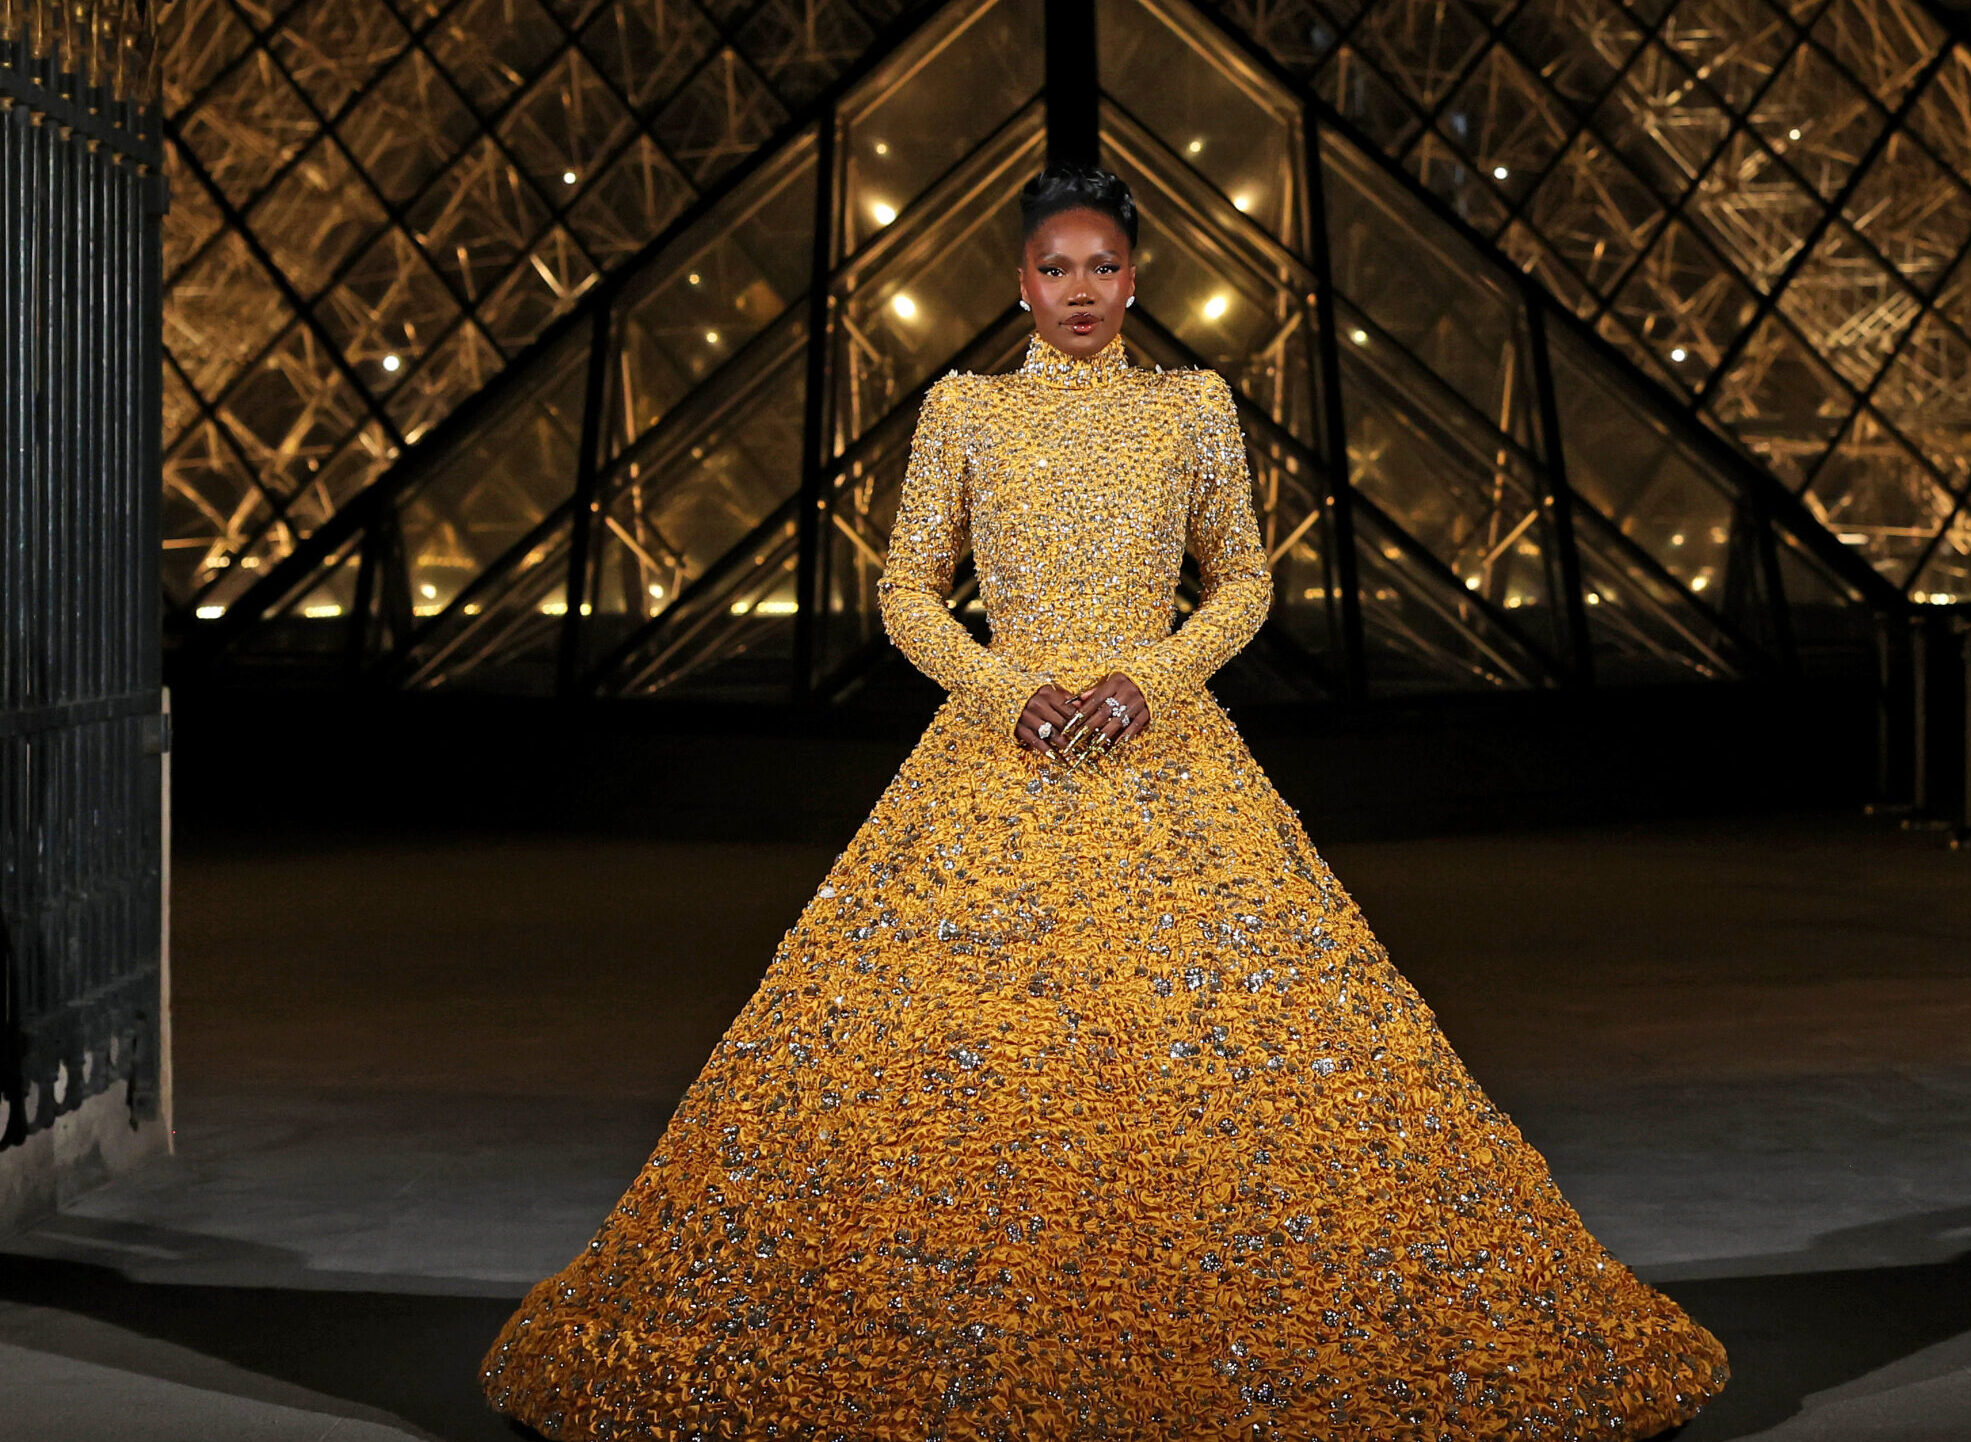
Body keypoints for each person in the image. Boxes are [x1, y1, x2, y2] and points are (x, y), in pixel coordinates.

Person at [480, 163, 1727, 1441]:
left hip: (1165, 756)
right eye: (1055, 267)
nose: (1080, 289)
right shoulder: (964, 408)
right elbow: (906, 589)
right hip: (999, 754)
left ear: (1136, 280)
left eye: (1103, 266)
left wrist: (1155, 677)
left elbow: (1242, 581)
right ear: (1018, 283)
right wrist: (999, 686)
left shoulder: (1193, 405)